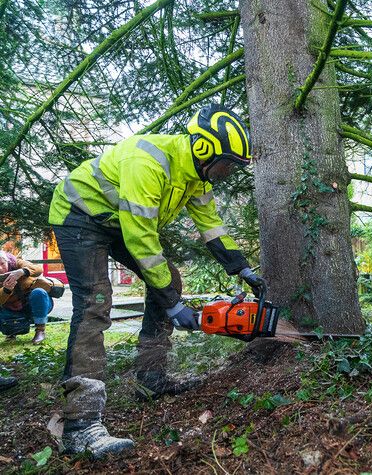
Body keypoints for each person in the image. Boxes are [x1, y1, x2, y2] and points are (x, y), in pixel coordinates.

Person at [47, 104, 266, 459]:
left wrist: (243, 269)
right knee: (95, 303)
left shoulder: (196, 175)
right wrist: (172, 304)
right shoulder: (148, 162)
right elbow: (141, 239)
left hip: (118, 221)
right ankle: (80, 426)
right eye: (227, 164)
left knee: (170, 280)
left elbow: (212, 226)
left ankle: (151, 379)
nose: (227, 173)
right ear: (204, 149)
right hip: (80, 215)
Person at [0, 250, 59, 344]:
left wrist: (22, 271)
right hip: (10, 309)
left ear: (7, 261)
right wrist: (6, 290)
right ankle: (10, 332)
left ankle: (40, 330)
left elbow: (38, 269)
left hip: (33, 304)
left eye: (2, 263)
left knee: (39, 292)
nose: (0, 268)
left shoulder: (17, 263)